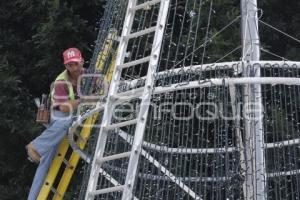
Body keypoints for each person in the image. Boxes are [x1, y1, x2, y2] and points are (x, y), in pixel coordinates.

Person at [26, 47, 84, 200]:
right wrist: (82, 100)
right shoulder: (60, 82)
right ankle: (35, 146)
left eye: (75, 63)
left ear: (81, 62)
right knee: (66, 122)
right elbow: (64, 107)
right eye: (69, 65)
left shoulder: (89, 74)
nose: (73, 67)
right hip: (58, 113)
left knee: (46, 159)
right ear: (66, 66)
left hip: (70, 111)